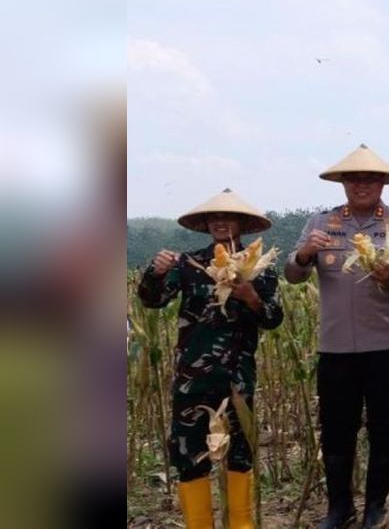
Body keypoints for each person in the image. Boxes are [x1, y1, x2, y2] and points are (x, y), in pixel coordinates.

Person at [284, 144, 389, 529]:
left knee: (385, 425)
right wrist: (303, 255)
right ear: (343, 183)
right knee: (337, 427)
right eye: (354, 178)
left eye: (370, 178)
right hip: (336, 346)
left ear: (382, 183)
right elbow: (293, 275)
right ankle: (339, 508)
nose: (362, 184)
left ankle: (375, 508)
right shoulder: (320, 223)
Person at [137, 189, 283, 529]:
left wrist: (251, 298)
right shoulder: (189, 265)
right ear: (206, 224)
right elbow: (152, 300)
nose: (220, 222)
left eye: (228, 216)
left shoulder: (261, 270)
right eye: (214, 217)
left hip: (238, 377)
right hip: (192, 378)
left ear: (242, 223)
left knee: (240, 454)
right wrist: (155, 273)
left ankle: (241, 524)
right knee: (188, 456)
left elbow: (273, 319)